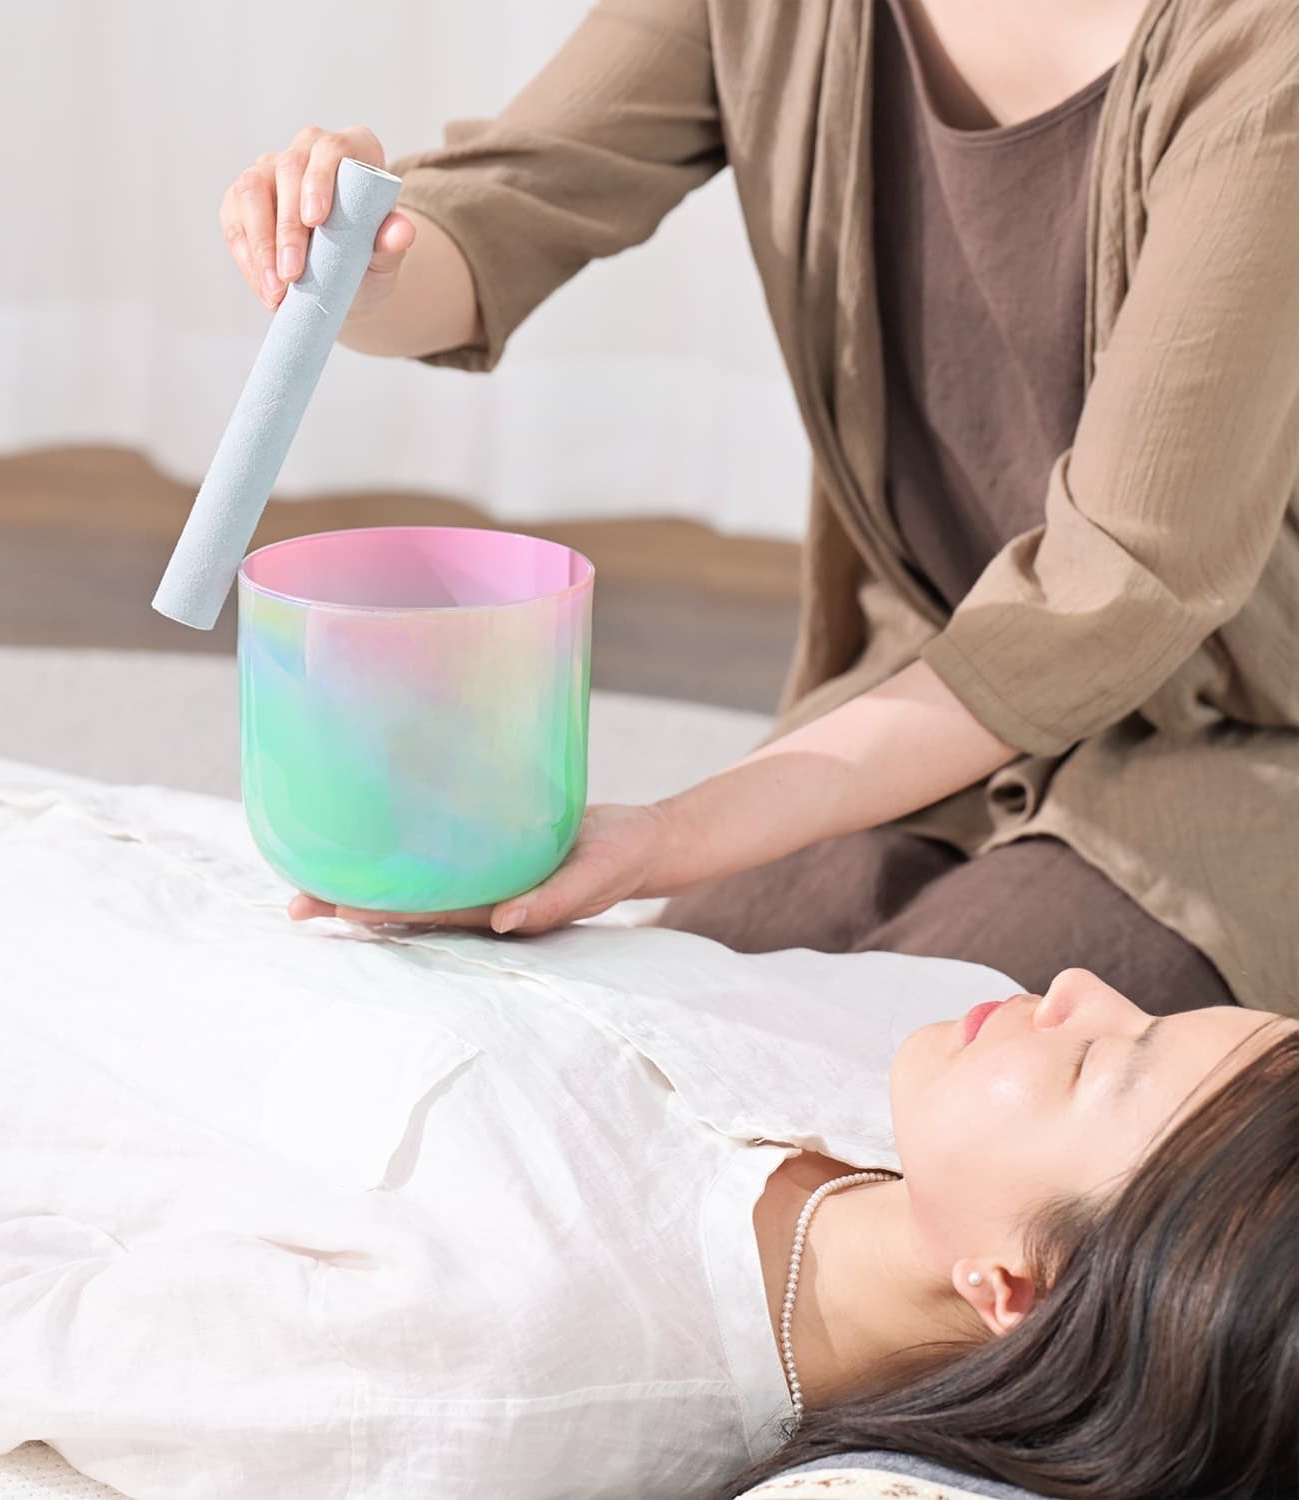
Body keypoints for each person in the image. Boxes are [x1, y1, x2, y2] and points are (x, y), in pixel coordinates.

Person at [219, 0, 1299, 1018]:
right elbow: (509, 204)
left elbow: (1114, 585)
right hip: (914, 687)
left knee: (891, 1089)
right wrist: (354, 261)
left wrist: (666, 837)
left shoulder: (1265, 54)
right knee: (648, 1037)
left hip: (1234, 740)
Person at [0, 774, 1294, 1499]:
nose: (1088, 989)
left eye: (1116, 1061)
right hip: (39, 827)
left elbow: (39, 1345)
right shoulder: (926, 1029)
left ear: (1015, 1291)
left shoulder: (509, 1360)